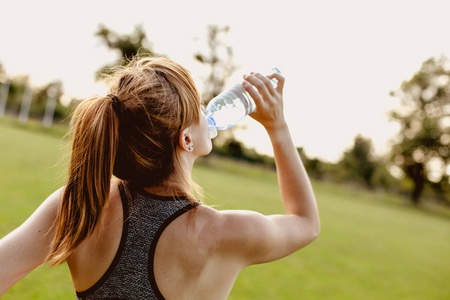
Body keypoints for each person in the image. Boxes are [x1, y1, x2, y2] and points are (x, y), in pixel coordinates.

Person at [0, 56, 320, 299]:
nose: (206, 108)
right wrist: (277, 128)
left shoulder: (80, 204)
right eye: (198, 104)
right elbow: (306, 223)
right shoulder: (223, 233)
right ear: (186, 140)